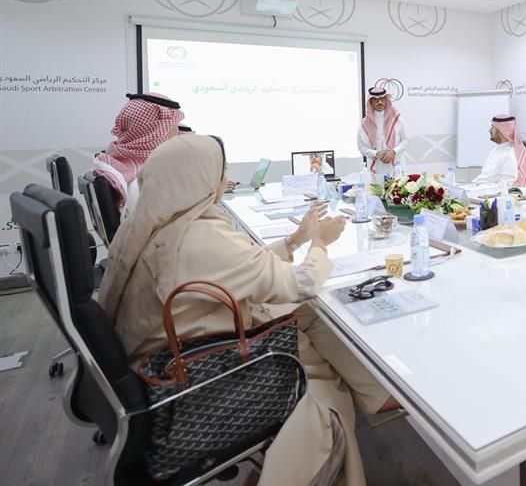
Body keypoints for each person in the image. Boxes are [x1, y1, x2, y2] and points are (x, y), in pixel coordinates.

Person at [99, 134, 397, 486]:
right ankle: (345, 421)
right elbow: (301, 283)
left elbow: (241, 266)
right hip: (197, 375)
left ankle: (375, 393)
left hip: (164, 354)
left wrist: (295, 240)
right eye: (220, 172)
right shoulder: (199, 237)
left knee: (305, 312)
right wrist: (320, 243)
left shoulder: (149, 223)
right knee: (321, 364)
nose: (226, 180)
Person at [94, 93, 184, 216]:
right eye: (172, 126)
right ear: (153, 134)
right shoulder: (144, 182)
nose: (177, 132)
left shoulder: (117, 163)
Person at [357, 85, 408, 178]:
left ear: (386, 100)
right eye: (375, 99)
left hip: (397, 166)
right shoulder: (363, 124)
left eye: (382, 98)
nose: (379, 102)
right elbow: (361, 147)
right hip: (376, 169)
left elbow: (405, 140)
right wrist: (376, 153)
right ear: (370, 102)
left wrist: (393, 152)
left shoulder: (398, 119)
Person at [473, 115, 526, 187]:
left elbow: (504, 186)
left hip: (489, 192)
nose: (489, 131)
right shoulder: (496, 150)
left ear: (501, 130)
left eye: (492, 127)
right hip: (479, 188)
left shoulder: (509, 155)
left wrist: (480, 188)